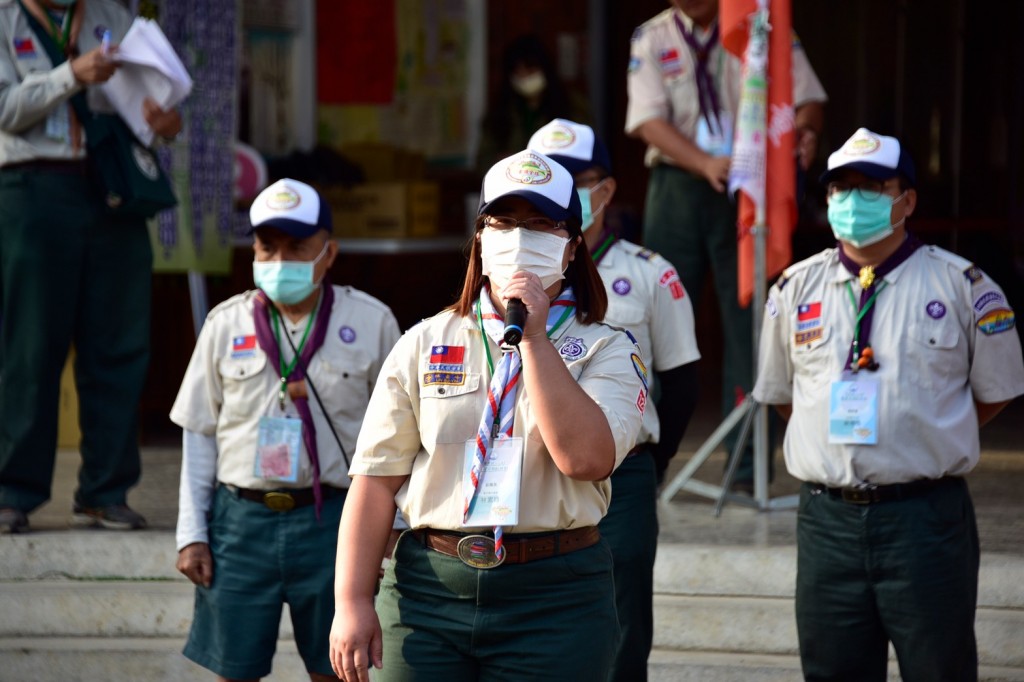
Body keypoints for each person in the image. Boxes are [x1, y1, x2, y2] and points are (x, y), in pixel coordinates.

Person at [328, 149, 647, 682]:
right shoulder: (424, 341)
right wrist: (352, 600)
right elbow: (375, 482)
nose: (520, 238)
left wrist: (536, 339)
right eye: (504, 222)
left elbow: (586, 459)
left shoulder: (607, 348)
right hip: (429, 592)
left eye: (541, 224)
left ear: (570, 247)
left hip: (555, 596)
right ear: (481, 237)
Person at [752, 128, 1024, 681]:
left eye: (872, 187)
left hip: (924, 521)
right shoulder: (793, 289)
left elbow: (995, 394)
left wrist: (924, 436)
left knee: (939, 669)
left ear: (908, 200)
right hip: (827, 521)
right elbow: (785, 399)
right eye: (841, 188)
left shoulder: (963, 286)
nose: (853, 201)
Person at [170, 178, 401, 681]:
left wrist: (395, 527)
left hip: (337, 522)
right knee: (236, 669)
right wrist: (192, 533)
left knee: (341, 667)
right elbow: (200, 432)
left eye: (298, 247)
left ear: (329, 251)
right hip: (240, 522)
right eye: (267, 247)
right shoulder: (224, 324)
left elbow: (402, 439)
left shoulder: (372, 321)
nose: (280, 261)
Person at [625, 0, 826, 490]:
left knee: (751, 319)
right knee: (659, 315)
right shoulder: (650, 37)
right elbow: (648, 121)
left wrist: (805, 131)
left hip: (749, 184)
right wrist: (702, 162)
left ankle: (746, 464)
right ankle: (645, 459)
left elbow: (808, 97)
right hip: (679, 184)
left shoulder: (757, 23)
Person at [0, 0, 182, 534]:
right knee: (30, 344)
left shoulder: (113, 14)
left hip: (111, 187)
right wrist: (69, 76)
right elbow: (4, 108)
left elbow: (153, 94)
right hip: (31, 186)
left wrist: (165, 122)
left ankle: (106, 490)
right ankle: (13, 489)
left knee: (119, 342)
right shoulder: (6, 17)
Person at [529, 118, 700, 681]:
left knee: (622, 628)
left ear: (605, 191)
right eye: (550, 177)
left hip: (621, 477)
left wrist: (652, 461)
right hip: (530, 469)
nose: (565, 189)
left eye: (579, 178)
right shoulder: (508, 280)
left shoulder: (652, 275)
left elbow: (679, 383)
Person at [476, 33, 583, 171]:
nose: (524, 77)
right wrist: (501, 163)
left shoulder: (572, 106)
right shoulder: (501, 111)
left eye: (530, 70)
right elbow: (482, 161)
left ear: (545, 69)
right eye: (518, 72)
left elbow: (585, 155)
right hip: (514, 186)